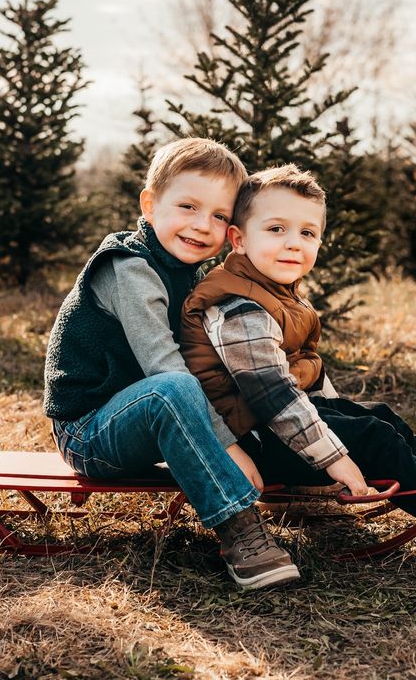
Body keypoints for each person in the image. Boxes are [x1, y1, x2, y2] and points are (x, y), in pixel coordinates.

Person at [178, 164, 416, 562]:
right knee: (372, 441)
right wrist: (336, 456)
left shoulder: (274, 291)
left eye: (307, 233)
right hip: (251, 443)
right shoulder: (239, 307)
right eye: (276, 229)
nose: (294, 244)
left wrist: (342, 416)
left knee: (376, 416)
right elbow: (273, 396)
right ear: (239, 240)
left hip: (273, 427)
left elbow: (305, 376)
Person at [43, 138, 300, 590]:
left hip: (144, 420)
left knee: (233, 379)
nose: (203, 226)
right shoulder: (130, 268)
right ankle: (239, 531)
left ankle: (300, 470)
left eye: (220, 216)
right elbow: (165, 368)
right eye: (188, 206)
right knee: (174, 389)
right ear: (150, 204)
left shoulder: (191, 275)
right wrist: (229, 447)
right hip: (89, 432)